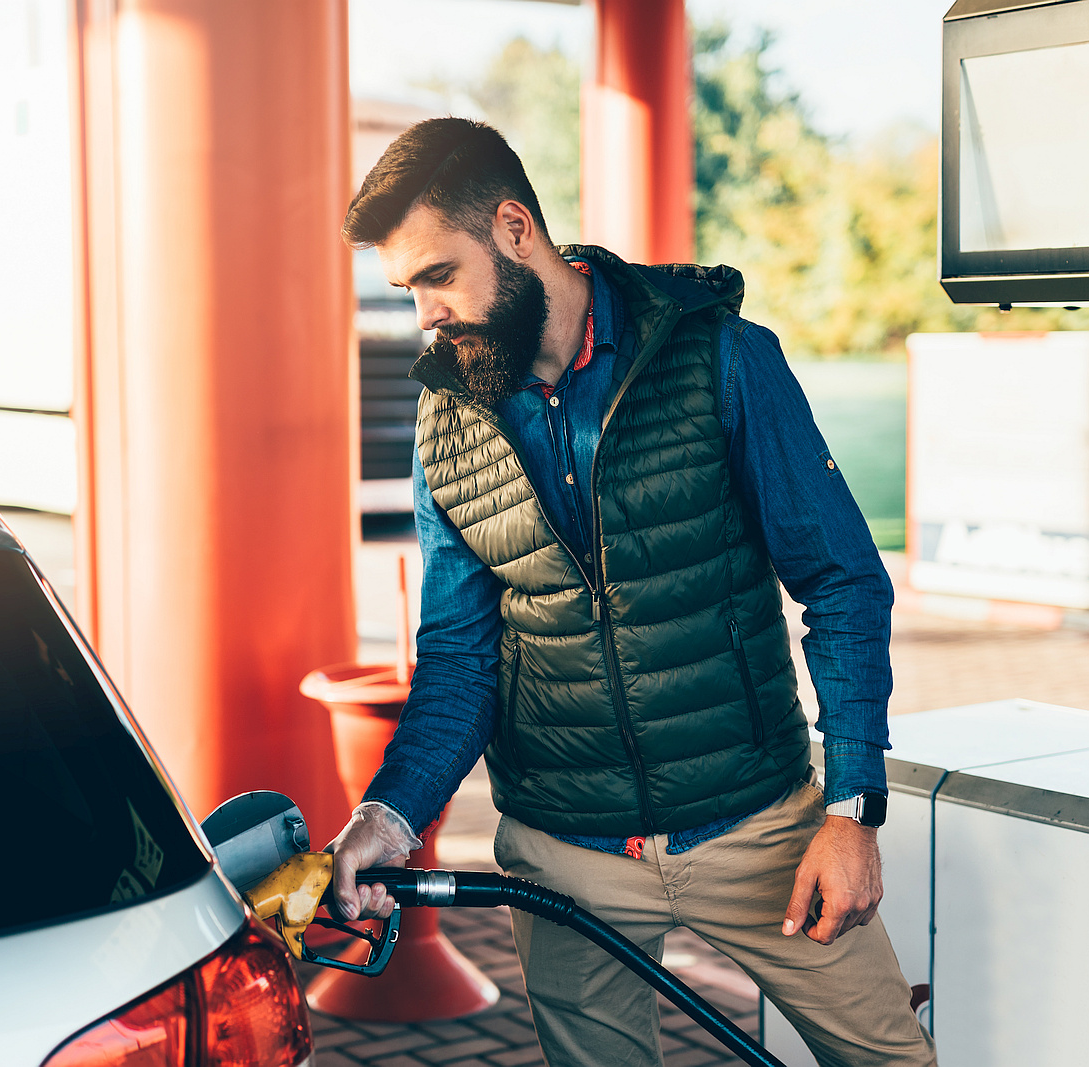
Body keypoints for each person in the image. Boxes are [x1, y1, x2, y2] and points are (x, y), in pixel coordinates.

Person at [327, 117, 936, 1067]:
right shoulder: (446, 422)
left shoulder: (721, 360)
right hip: (565, 852)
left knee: (894, 1060)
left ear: (515, 229)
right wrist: (389, 816)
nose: (425, 318)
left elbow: (843, 581)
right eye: (407, 290)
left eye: (439, 276)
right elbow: (458, 658)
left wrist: (851, 806)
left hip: (757, 827)